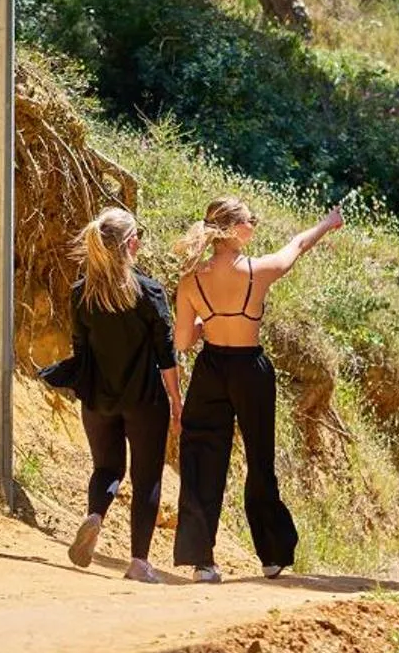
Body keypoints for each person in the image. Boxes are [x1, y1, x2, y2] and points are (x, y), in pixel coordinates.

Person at [172, 195, 344, 583]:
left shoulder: (190, 280)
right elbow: (297, 245)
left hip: (211, 368)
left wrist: (207, 324)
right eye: (251, 219)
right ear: (234, 229)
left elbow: (182, 343)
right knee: (259, 459)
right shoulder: (257, 271)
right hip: (250, 368)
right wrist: (328, 221)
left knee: (202, 459)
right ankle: (271, 556)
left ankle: (202, 563)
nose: (255, 223)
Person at [66, 206, 183, 584]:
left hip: (98, 397)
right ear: (132, 243)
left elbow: (80, 349)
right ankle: (138, 563)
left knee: (106, 468)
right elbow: (167, 355)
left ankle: (96, 514)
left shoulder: (82, 293)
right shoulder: (149, 292)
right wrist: (177, 402)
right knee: (146, 476)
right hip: (145, 399)